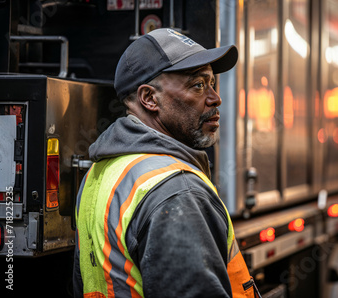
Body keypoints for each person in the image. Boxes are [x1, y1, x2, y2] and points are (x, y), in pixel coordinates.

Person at [73, 28, 259, 298]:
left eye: (211, 83)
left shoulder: (101, 173)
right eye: (198, 85)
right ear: (149, 98)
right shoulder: (179, 192)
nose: (215, 98)